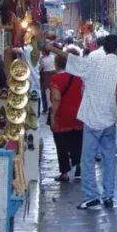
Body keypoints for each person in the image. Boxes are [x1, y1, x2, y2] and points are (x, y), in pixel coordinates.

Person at [76, 34, 117, 210]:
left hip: (91, 117)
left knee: (87, 159)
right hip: (110, 118)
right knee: (108, 158)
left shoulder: (93, 62)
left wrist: (49, 48)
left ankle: (91, 195)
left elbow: (72, 65)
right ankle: (108, 195)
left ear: (103, 47)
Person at [48, 49, 83, 181]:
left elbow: (56, 99)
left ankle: (64, 172)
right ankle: (78, 165)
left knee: (61, 144)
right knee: (77, 141)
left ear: (57, 64)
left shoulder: (56, 79)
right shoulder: (79, 77)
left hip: (62, 115)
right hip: (77, 114)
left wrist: (52, 116)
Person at [39, 44, 56, 119]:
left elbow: (40, 68)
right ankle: (51, 106)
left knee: (46, 91)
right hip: (53, 74)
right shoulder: (53, 57)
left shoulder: (43, 60)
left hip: (46, 75)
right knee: (51, 91)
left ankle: (47, 107)